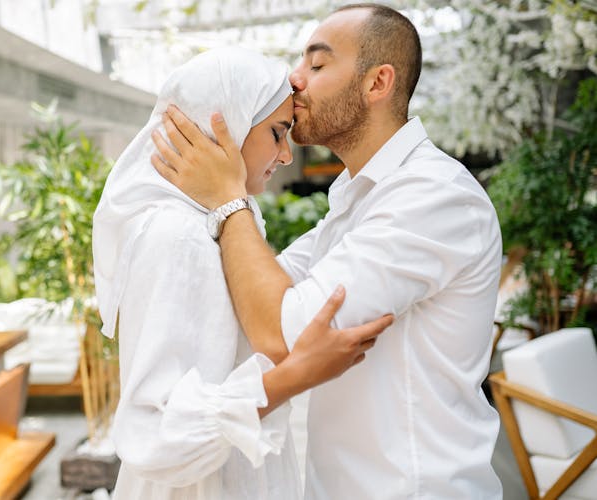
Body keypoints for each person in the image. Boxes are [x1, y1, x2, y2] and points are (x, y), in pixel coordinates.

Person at [151, 5, 504, 499]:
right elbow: (264, 285)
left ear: (377, 83)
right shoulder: (357, 195)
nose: (294, 79)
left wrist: (229, 199)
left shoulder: (432, 196)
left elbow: (281, 330)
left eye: (316, 65)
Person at [92, 46, 393, 500]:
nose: (287, 156)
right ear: (223, 129)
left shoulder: (218, 223)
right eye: (277, 133)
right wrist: (292, 376)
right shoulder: (179, 235)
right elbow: (153, 434)